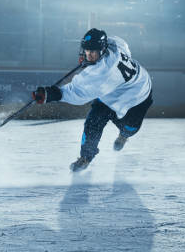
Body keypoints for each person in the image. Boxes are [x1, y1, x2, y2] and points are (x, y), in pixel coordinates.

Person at [32, 28, 153, 171]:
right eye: (86, 50)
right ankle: (86, 157)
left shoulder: (103, 73)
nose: (88, 54)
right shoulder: (114, 44)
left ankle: (124, 136)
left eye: (93, 51)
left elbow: (77, 93)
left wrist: (51, 94)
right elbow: (123, 45)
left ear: (102, 50)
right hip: (114, 92)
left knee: (130, 128)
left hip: (139, 93)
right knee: (93, 121)